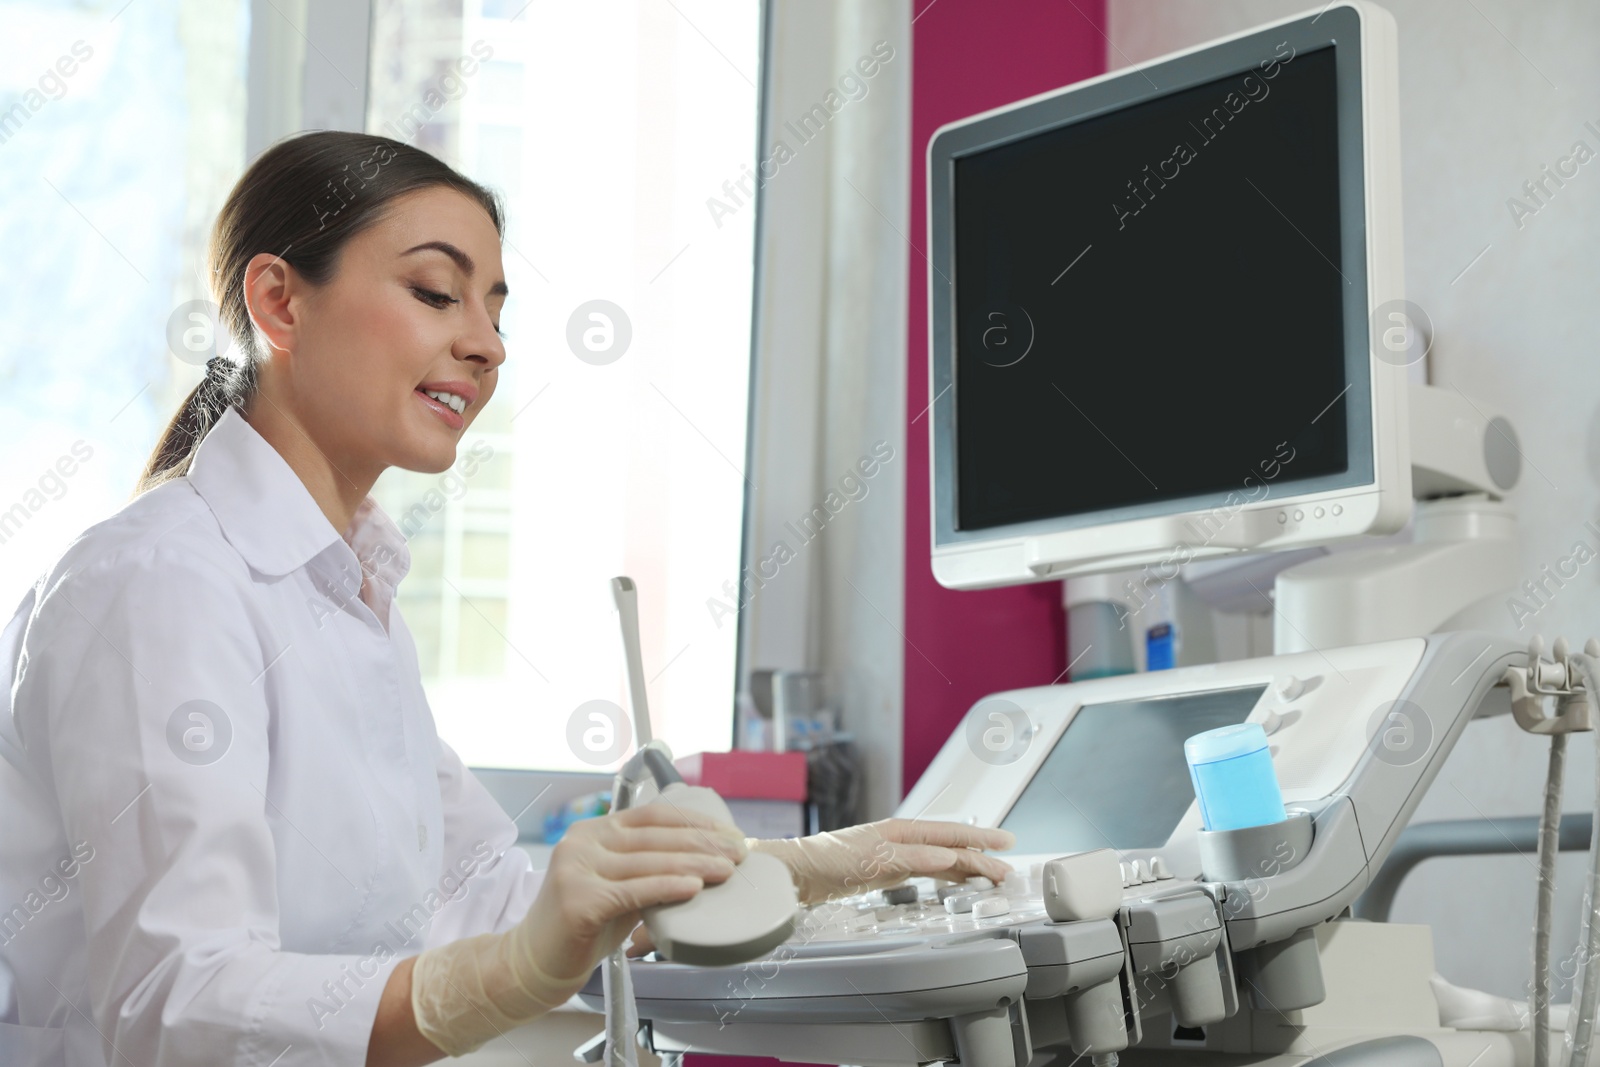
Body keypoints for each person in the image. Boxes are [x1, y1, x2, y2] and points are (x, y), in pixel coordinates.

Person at [0, 131, 1015, 1067]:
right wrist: (514, 966)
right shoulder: (161, 584)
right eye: (438, 294)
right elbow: (180, 1005)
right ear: (279, 303)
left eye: (495, 307)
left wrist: (797, 867)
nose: (487, 344)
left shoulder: (351, 601)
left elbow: (495, 898)